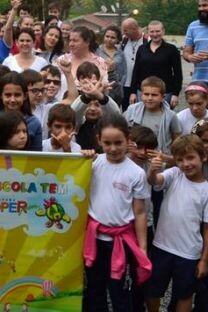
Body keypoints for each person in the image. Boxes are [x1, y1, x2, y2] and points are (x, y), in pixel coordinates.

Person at [83, 113, 151, 311]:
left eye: (118, 142)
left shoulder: (136, 173)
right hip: (94, 238)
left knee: (118, 289)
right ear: (99, 141)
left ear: (128, 140)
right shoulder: (93, 163)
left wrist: (142, 247)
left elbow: (139, 212)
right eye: (107, 143)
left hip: (120, 242)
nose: (113, 148)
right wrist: (82, 156)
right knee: (95, 288)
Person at [144, 135, 208, 312]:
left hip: (189, 253)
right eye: (180, 159)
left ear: (203, 157)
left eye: (190, 158)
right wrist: (152, 171)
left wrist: (204, 260)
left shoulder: (206, 190)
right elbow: (155, 181)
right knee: (152, 290)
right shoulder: (174, 174)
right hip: (162, 246)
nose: (185, 164)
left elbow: (207, 229)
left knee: (184, 294)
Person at [129, 21, 182, 109]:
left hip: (165, 93)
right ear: (148, 33)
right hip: (143, 92)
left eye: (157, 31)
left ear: (163, 31)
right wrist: (133, 92)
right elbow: (136, 71)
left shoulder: (172, 50)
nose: (155, 34)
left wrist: (175, 94)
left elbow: (178, 74)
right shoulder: (142, 49)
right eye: (152, 31)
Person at [124, 76, 181, 155]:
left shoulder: (170, 116)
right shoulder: (132, 110)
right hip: (134, 156)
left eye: (154, 95)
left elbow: (177, 139)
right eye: (146, 94)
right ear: (141, 95)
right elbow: (123, 131)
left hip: (158, 158)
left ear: (162, 97)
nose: (149, 98)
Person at [0, 72, 42, 151]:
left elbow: (37, 156)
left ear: (25, 96)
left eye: (17, 95)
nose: (12, 100)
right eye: (8, 95)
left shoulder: (34, 122)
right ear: (1, 96)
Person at [121, 18, 147, 110]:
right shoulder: (123, 41)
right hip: (125, 84)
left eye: (125, 30)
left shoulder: (146, 41)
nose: (124, 33)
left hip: (141, 85)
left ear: (135, 28)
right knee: (126, 111)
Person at [96, 25, 126, 106]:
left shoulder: (120, 53)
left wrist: (120, 85)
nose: (109, 39)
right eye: (107, 36)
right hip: (101, 87)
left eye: (113, 37)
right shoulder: (97, 51)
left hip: (116, 89)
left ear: (117, 39)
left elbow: (124, 72)